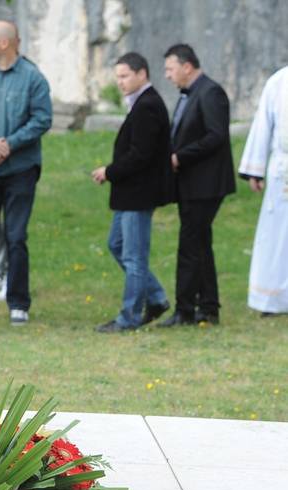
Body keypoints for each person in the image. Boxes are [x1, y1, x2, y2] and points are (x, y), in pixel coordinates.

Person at [0, 20, 52, 325]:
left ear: (4, 42)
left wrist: (9, 144)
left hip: (20, 169)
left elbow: (42, 119)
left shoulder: (33, 78)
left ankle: (18, 302)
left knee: (16, 236)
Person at [91, 52, 172, 332]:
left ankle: (130, 317)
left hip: (139, 194)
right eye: (118, 77)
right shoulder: (140, 103)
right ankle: (156, 297)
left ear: (142, 74)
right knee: (117, 244)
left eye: (125, 76)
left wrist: (109, 171)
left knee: (134, 257)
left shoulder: (148, 105)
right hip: (129, 194)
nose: (120, 82)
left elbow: (141, 154)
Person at [158, 43, 235, 327]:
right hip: (191, 183)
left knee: (190, 245)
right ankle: (208, 307)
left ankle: (185, 310)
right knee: (200, 244)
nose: (167, 75)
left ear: (187, 66)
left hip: (206, 184)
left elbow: (216, 135)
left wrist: (180, 157)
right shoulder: (190, 94)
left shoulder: (210, 92)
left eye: (170, 69)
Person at [238, 65, 288, 316]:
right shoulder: (279, 82)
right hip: (283, 172)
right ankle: (273, 299)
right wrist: (254, 170)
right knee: (277, 237)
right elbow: (262, 126)